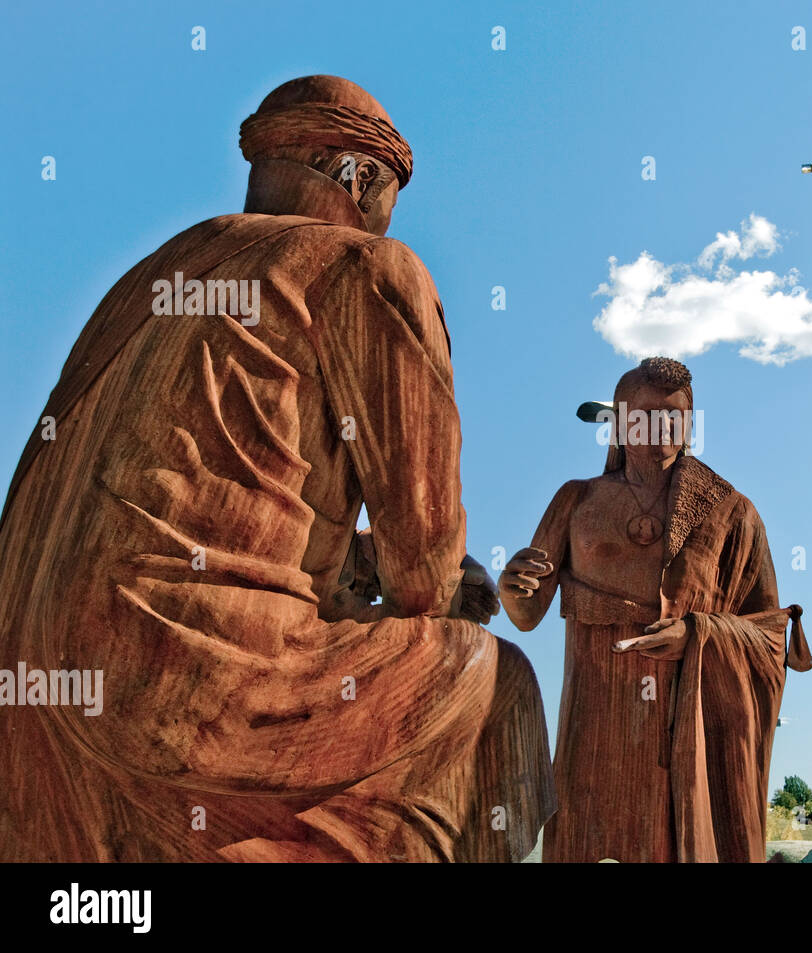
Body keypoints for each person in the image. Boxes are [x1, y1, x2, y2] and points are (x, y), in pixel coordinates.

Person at [0, 75, 554, 862]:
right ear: (358, 178)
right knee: (497, 688)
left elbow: (197, 497)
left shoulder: (149, 278)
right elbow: (425, 573)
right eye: (389, 196)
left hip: (24, 697)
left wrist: (347, 562)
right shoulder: (367, 267)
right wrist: (427, 588)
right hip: (184, 688)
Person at [499, 357, 811, 862]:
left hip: (681, 733)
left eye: (675, 416)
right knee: (581, 838)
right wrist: (512, 587)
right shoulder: (577, 501)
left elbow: (773, 636)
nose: (662, 426)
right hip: (593, 726)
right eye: (646, 414)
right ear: (620, 423)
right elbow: (527, 611)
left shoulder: (731, 513)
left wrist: (699, 634)